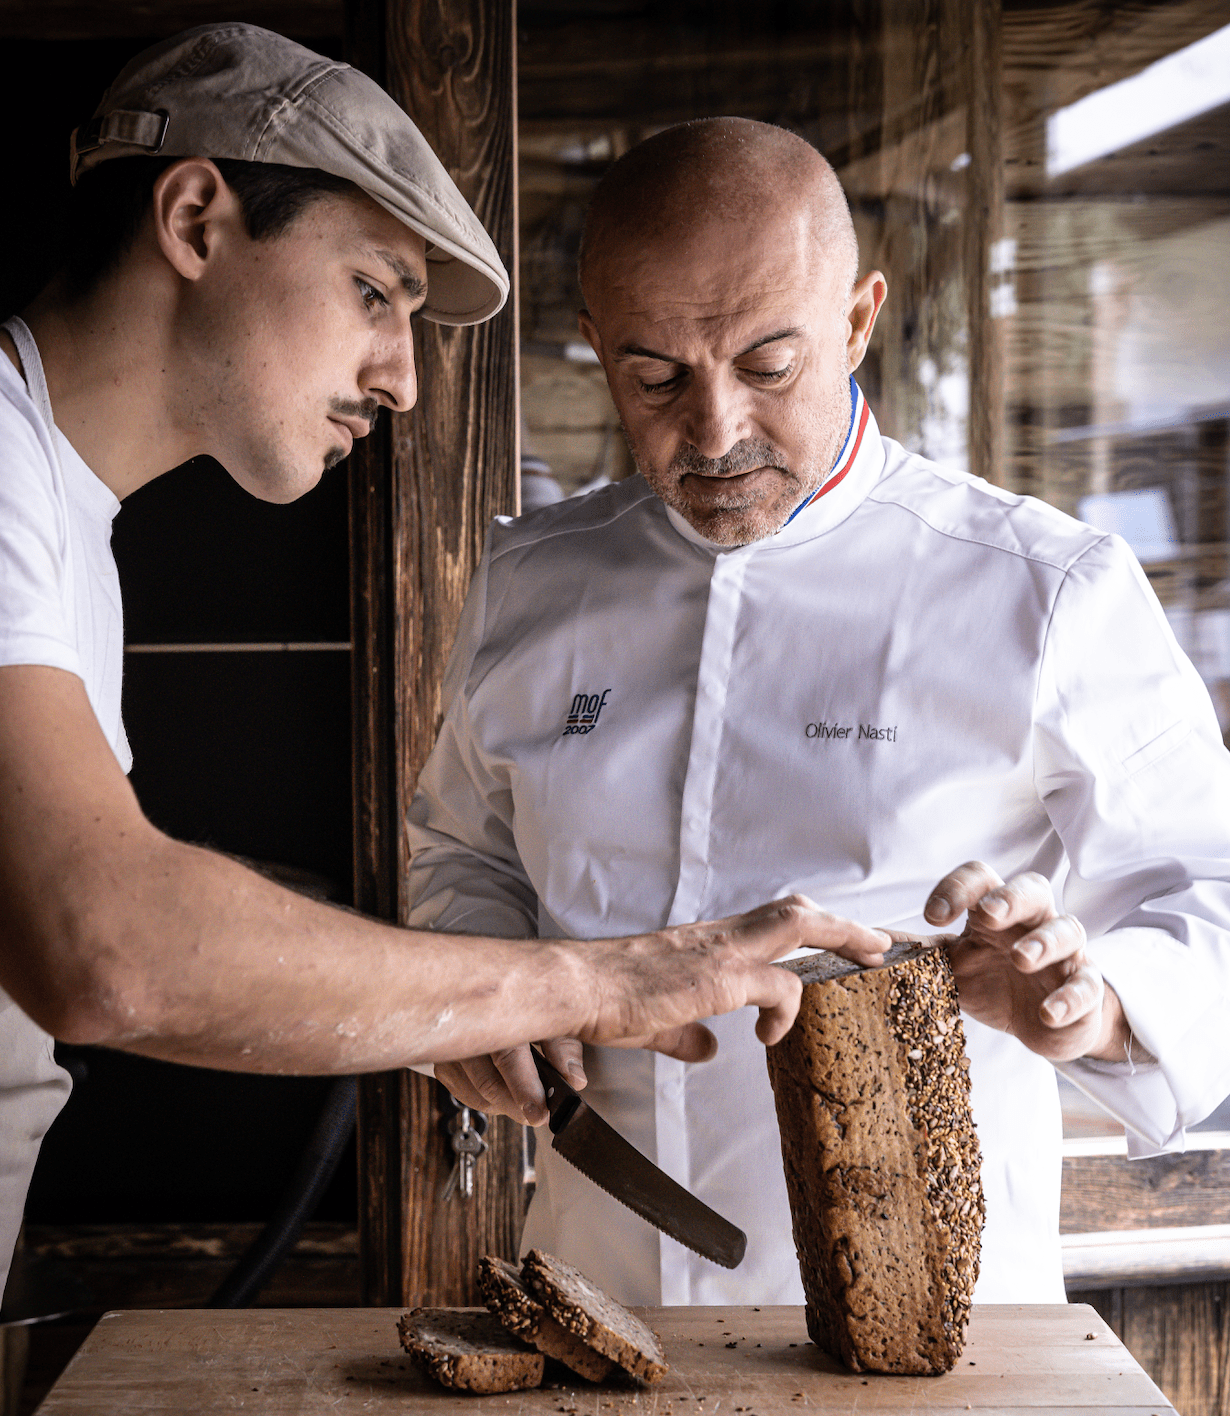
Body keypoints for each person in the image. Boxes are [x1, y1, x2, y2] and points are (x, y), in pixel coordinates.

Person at [0, 40, 895, 1302]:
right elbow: (107, 947)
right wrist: (595, 981)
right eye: (376, 291)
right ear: (198, 219)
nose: (407, 381)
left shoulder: (59, 511)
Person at [406, 118, 1230, 1306]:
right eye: (655, 377)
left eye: (768, 364)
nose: (716, 430)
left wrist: (1097, 1007)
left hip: (938, 1326)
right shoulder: (529, 581)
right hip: (591, 1288)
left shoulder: (1047, 588)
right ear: (594, 350)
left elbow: (1208, 886)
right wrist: (484, 980)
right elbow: (462, 847)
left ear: (858, 319)